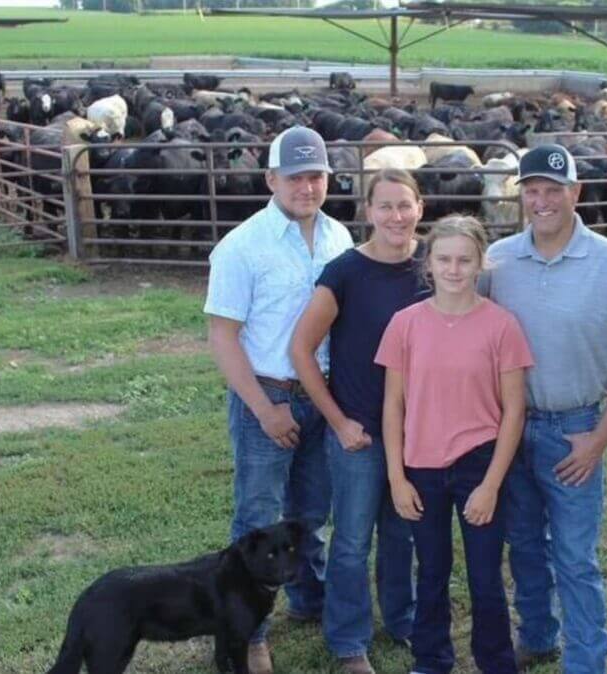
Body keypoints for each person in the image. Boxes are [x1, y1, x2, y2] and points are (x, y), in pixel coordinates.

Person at [479, 145, 607, 674]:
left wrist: (599, 438)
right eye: (532, 190)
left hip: (575, 427)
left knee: (575, 558)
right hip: (512, 426)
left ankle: (586, 663)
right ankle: (538, 635)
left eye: (554, 190)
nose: (542, 200)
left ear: (575, 193)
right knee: (525, 544)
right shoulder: (500, 260)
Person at [203, 126, 354, 674]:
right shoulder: (243, 246)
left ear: (328, 179)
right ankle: (250, 633)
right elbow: (222, 335)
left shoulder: (341, 239)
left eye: (315, 176)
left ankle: (308, 601)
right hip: (267, 391)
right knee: (259, 518)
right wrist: (264, 409)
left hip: (323, 393)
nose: (306, 187)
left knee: (312, 512)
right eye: (295, 177)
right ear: (271, 179)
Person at [376, 215, 533, 674]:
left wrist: (490, 485)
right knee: (432, 571)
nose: (454, 268)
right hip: (421, 465)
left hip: (479, 464)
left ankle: (496, 663)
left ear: (481, 263)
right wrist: (396, 477)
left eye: (465, 260)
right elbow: (393, 408)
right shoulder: (404, 325)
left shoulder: (501, 326)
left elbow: (514, 413)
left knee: (485, 577)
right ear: (429, 263)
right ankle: (432, 660)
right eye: (444, 258)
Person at [289, 169, 428, 674]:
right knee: (350, 540)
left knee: (403, 532)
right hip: (361, 432)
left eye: (404, 205)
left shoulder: (435, 267)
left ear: (421, 208)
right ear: (368, 211)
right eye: (385, 206)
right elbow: (302, 350)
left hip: (416, 433)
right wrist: (338, 421)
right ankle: (349, 641)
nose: (396, 216)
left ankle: (402, 617)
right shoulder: (345, 271)